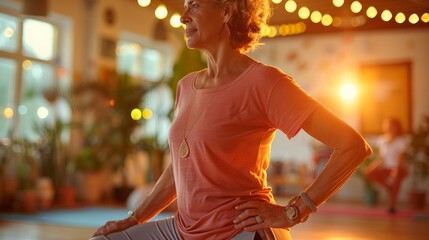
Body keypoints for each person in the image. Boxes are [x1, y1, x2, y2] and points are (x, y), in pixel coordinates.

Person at [90, 0, 372, 239]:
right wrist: (134, 219)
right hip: (184, 229)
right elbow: (180, 170)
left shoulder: (265, 82)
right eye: (184, 6)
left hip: (240, 230)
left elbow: (352, 145)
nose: (183, 16)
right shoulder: (186, 86)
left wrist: (295, 210)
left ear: (226, 12)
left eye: (195, 5)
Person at [363, 118, 408, 213]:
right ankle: (389, 188)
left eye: (392, 126)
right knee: (370, 173)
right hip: (387, 168)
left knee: (396, 180)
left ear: (397, 128)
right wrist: (371, 168)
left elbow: (400, 159)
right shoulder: (382, 140)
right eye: (388, 126)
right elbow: (381, 159)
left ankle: (392, 205)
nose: (390, 128)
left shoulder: (401, 141)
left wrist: (395, 171)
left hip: (399, 168)